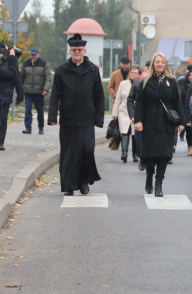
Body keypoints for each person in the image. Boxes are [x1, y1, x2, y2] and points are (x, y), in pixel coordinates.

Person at [47, 34, 104, 194]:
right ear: (70, 51)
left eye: (79, 49)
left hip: (87, 117)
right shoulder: (61, 70)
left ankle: (84, 180)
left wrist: (99, 118)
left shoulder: (92, 70)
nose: (77, 52)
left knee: (87, 150)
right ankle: (69, 186)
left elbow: (98, 95)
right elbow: (55, 95)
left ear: (84, 50)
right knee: (69, 153)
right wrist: (52, 117)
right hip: (68, 117)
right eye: (74, 50)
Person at [133, 53, 184, 197]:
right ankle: (149, 176)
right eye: (157, 62)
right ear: (153, 64)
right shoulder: (145, 81)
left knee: (164, 155)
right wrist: (138, 121)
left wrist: (181, 122)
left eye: (162, 62)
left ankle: (158, 184)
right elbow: (140, 102)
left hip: (166, 123)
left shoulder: (171, 81)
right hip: (149, 123)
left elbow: (177, 102)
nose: (160, 64)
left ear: (166, 64)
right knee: (150, 155)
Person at [111, 65, 140, 162]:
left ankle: (135, 154)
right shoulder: (123, 84)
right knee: (125, 132)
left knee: (135, 134)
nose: (133, 74)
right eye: (131, 72)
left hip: (136, 112)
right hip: (123, 112)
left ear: (139, 74)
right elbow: (118, 99)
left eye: (135, 73)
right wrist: (114, 113)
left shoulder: (141, 83)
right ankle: (124, 153)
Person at [20, 47, 51, 135]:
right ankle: (28, 128)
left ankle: (41, 128)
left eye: (35, 55)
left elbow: (48, 78)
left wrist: (46, 89)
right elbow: (21, 77)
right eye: (32, 55)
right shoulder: (25, 64)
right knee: (28, 110)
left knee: (40, 111)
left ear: (38, 55)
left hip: (39, 92)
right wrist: (21, 89)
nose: (33, 56)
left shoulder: (44, 64)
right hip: (28, 92)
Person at [0, 45, 23, 150]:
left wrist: (20, 95)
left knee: (2, 119)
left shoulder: (8, 62)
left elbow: (16, 78)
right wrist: (13, 58)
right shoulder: (11, 62)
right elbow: (11, 74)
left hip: (4, 96)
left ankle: (0, 142)